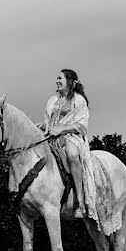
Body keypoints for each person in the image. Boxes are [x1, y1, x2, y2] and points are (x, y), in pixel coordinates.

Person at [38, 69, 95, 218]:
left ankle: (80, 202)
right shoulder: (52, 100)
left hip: (72, 136)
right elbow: (49, 121)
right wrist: (42, 126)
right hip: (52, 136)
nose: (57, 81)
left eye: (60, 78)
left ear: (69, 82)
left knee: (72, 154)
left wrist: (62, 129)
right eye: (57, 78)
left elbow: (82, 126)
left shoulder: (79, 100)